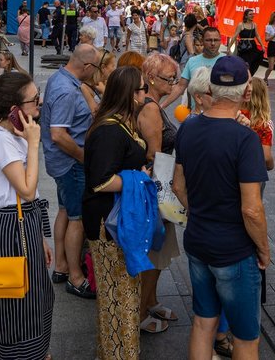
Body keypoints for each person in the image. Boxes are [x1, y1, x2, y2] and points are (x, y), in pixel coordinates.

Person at [171, 55, 269, 360]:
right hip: (234, 247)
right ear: (244, 89)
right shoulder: (245, 139)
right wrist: (263, 249)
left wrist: (199, 211)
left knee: (203, 322)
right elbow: (251, 209)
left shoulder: (188, 127)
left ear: (212, 88)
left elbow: (178, 185)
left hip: (198, 239)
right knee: (245, 336)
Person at [82, 66, 154, 359]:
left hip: (116, 220)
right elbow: (101, 181)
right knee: (119, 298)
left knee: (121, 296)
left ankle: (112, 353)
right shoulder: (110, 130)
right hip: (107, 224)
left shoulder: (119, 123)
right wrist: (140, 179)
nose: (145, 94)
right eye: (141, 88)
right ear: (128, 93)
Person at [0, 71, 54, 357]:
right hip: (12, 229)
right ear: (16, 109)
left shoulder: (15, 134)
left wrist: (40, 237)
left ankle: (37, 352)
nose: (39, 104)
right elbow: (26, 189)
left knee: (38, 296)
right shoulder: (3, 139)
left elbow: (30, 199)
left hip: (25, 223)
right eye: (34, 100)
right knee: (19, 303)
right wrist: (34, 143)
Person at [40, 44, 100, 299]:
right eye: (94, 67)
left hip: (61, 163)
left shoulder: (60, 77)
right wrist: (84, 158)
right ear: (86, 66)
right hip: (70, 163)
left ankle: (62, 266)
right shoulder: (66, 89)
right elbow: (58, 135)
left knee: (65, 210)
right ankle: (76, 277)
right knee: (77, 218)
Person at [136, 53, 182, 333]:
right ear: (151, 78)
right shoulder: (150, 108)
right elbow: (155, 155)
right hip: (157, 189)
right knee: (155, 252)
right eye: (169, 79)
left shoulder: (152, 103)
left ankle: (151, 301)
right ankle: (140, 312)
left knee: (161, 252)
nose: (173, 83)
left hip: (158, 187)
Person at [160, 27, 224, 109]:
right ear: (203, 41)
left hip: (220, 114)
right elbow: (180, 87)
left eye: (216, 40)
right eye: (208, 40)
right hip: (197, 114)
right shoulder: (192, 61)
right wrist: (162, 106)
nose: (212, 43)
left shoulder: (227, 61)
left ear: (220, 41)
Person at [228, 9, 264, 76]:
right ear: (246, 16)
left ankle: (249, 77)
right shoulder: (241, 25)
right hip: (244, 47)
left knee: (252, 62)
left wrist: (262, 45)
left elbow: (257, 36)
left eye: (253, 14)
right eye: (250, 14)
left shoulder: (254, 25)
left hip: (252, 46)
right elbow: (235, 36)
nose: (252, 15)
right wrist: (229, 47)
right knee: (244, 64)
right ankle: (244, 77)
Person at [81, 49, 116, 115]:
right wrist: (105, 92)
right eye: (113, 66)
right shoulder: (85, 87)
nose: (114, 69)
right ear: (103, 68)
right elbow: (96, 114)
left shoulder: (104, 82)